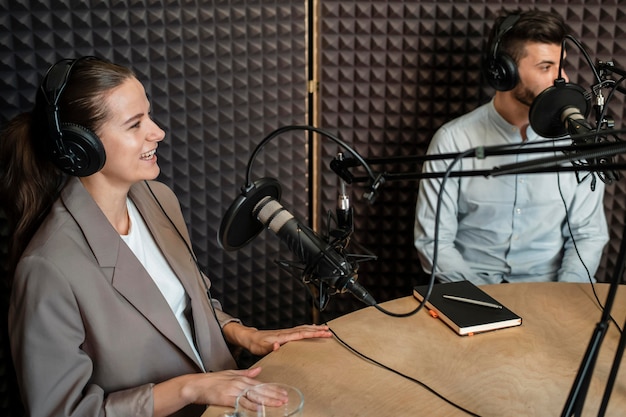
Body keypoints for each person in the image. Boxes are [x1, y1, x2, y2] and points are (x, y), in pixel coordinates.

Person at [0, 56, 332, 417]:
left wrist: (242, 333)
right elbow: (60, 412)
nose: (157, 132)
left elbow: (188, 304)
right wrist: (188, 389)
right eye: (134, 124)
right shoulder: (48, 268)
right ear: (81, 148)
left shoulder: (158, 200)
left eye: (149, 115)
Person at [414, 9, 609, 285]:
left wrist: (563, 296)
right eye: (545, 66)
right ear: (503, 72)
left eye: (561, 64)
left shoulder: (578, 142)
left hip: (549, 293)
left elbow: (588, 234)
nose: (560, 78)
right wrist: (482, 302)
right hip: (472, 289)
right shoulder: (453, 140)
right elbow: (434, 242)